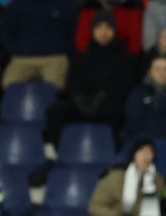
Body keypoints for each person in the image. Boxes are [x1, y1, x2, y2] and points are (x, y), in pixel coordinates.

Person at [44, 10, 138, 150]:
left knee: (118, 112)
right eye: (99, 28)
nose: (103, 32)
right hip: (81, 105)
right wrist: (80, 100)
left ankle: (113, 152)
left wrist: (101, 99)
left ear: (114, 30)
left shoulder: (125, 58)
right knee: (55, 111)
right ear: (93, 31)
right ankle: (54, 151)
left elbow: (124, 85)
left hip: (107, 107)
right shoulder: (81, 57)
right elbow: (72, 83)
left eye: (108, 28)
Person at [88, 136, 165, 216]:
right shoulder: (115, 178)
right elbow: (95, 208)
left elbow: (161, 209)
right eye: (141, 151)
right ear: (134, 155)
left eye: (150, 152)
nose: (146, 156)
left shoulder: (158, 181)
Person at [0, 0, 77, 91]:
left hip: (55, 57)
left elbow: (73, 31)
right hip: (22, 57)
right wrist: (16, 49)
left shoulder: (66, 6)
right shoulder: (16, 5)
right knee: (8, 85)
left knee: (56, 88)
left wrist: (62, 47)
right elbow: (5, 31)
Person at [123, 55, 166, 142]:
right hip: (141, 142)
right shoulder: (138, 93)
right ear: (149, 71)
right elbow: (133, 121)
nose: (162, 72)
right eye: (157, 69)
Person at [76, 0, 145, 56]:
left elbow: (135, 46)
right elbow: (82, 44)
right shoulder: (90, 8)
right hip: (92, 57)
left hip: (122, 58)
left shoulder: (131, 8)